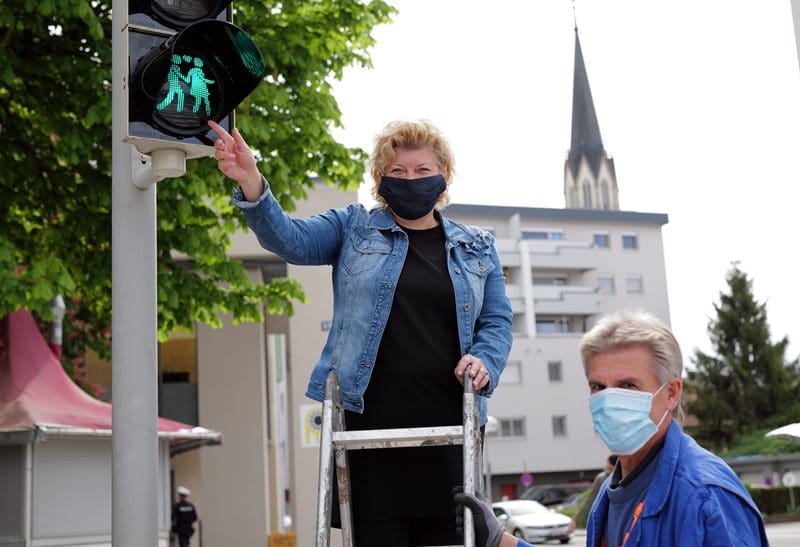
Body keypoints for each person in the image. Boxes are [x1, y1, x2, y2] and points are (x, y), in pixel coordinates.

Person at [210, 118, 513, 546]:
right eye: (398, 171)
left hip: (449, 424)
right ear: (380, 179)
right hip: (369, 428)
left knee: (447, 536)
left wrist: (485, 359)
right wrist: (252, 182)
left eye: (423, 170)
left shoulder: (478, 246)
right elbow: (291, 241)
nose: (411, 180)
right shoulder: (353, 228)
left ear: (443, 176)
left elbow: (497, 322)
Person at [456, 310, 768, 546]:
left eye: (627, 385)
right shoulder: (611, 492)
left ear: (671, 393)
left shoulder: (706, 496)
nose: (609, 400)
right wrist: (500, 538)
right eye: (598, 386)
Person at [567, 454, 618, 533]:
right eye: (608, 468)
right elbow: (590, 500)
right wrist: (576, 519)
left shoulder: (625, 477)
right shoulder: (602, 478)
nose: (609, 471)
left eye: (610, 468)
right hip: (606, 519)